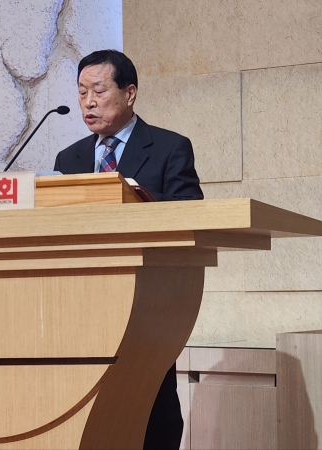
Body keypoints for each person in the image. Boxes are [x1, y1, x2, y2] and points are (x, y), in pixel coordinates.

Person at [54, 49, 202, 449]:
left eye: (99, 90)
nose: (88, 102)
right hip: (81, 307)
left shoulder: (170, 148)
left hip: (147, 305)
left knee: (151, 409)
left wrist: (138, 204)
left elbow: (191, 216)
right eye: (81, 92)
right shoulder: (69, 159)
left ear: (130, 93)